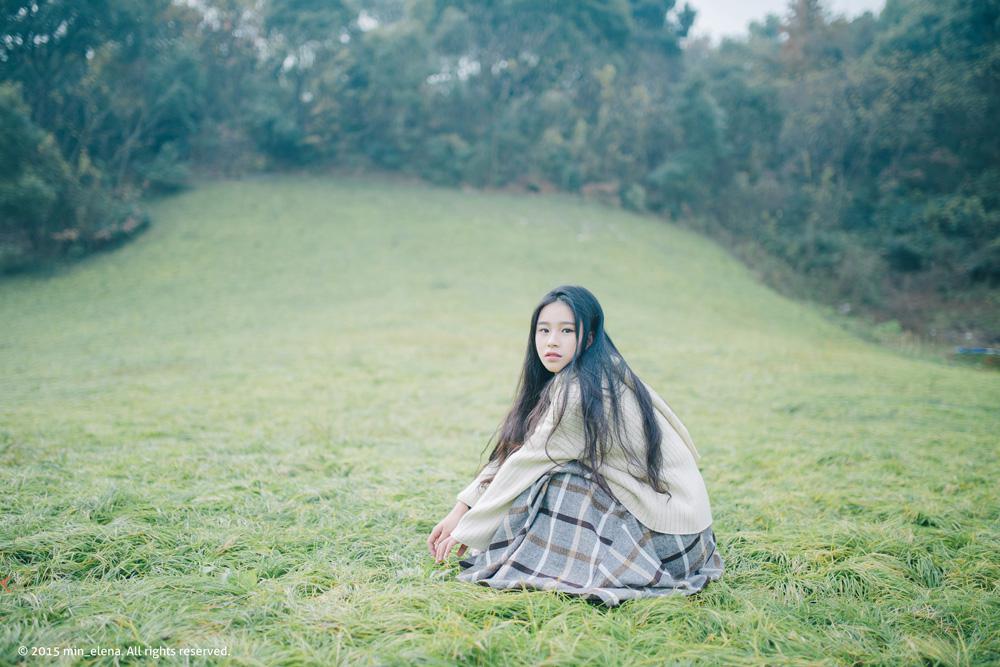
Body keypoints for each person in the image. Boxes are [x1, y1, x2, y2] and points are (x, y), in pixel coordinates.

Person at [426, 285, 724, 606]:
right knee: (559, 470)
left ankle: (549, 566)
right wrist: (462, 507)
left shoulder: (581, 393)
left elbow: (523, 465)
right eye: (544, 330)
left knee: (557, 482)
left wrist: (467, 529)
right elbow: (520, 449)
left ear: (590, 338)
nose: (552, 341)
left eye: (567, 330)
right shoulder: (596, 371)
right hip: (693, 540)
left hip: (671, 545)